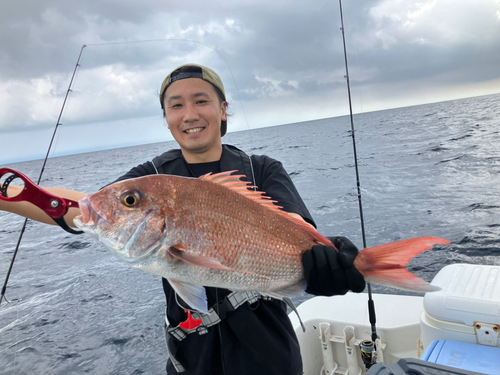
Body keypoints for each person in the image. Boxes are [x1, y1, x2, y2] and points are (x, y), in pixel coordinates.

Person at [0, 63, 365, 374]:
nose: (189, 114)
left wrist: (330, 261)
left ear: (223, 110)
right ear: (167, 119)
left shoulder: (263, 169)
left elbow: (300, 234)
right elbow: (84, 208)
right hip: (192, 354)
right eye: (176, 105)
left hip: (269, 352)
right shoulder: (151, 177)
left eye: (201, 101)